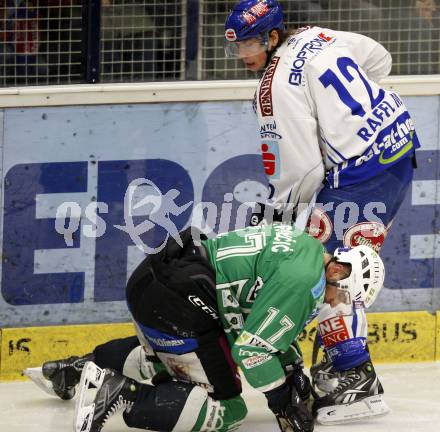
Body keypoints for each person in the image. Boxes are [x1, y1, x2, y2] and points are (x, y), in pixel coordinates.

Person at [224, 0, 420, 424]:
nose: (244, 57)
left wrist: (279, 219)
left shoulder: (272, 87)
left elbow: (302, 169)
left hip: (362, 172)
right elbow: (379, 58)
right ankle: (348, 367)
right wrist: (354, 118)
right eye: (236, 49)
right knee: (331, 257)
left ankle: (354, 378)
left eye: (250, 46)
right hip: (398, 143)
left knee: (319, 262)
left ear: (273, 37)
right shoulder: (318, 36)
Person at [25, 225, 386, 432]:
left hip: (160, 282)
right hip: (180, 302)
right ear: (339, 271)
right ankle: (125, 392)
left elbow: (253, 317)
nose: (337, 303)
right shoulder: (306, 281)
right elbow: (251, 350)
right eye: (343, 295)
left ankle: (75, 369)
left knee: (169, 359)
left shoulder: (305, 246)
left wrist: (291, 367)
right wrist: (281, 403)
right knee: (228, 408)